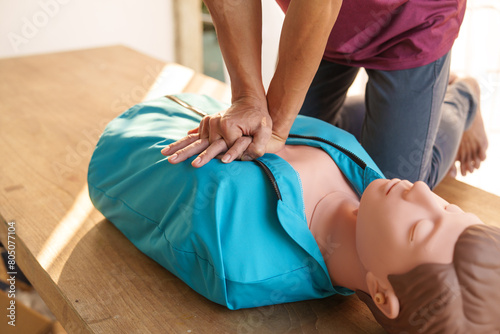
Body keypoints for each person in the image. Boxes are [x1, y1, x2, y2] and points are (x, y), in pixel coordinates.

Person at [88, 93, 500, 333]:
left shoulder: (238, 253)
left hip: (132, 128)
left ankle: (458, 97)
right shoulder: (374, 184)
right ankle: (461, 93)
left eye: (419, 229)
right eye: (448, 205)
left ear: (381, 294)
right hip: (199, 99)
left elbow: (124, 173)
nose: (425, 193)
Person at [163, 0, 489, 189]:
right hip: (324, 26)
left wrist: (277, 126)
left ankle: (460, 96)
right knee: (294, 150)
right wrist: (247, 98)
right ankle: (398, 115)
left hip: (413, 21)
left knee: (389, 189)